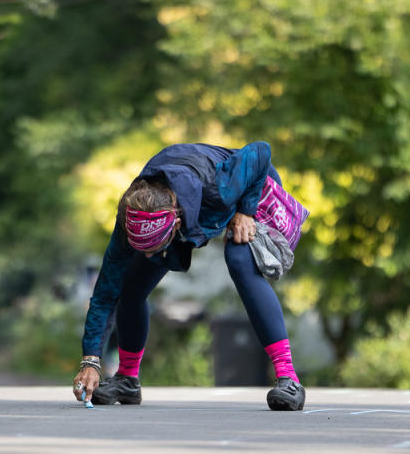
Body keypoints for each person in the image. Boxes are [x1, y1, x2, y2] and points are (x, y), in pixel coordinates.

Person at [71, 141, 306, 411]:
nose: (148, 255)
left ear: (177, 225)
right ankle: (127, 379)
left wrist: (244, 212)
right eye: (142, 249)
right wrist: (90, 360)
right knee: (130, 285)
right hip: (182, 199)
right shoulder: (132, 218)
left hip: (247, 189)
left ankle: (289, 379)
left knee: (239, 260)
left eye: (154, 248)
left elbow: (260, 151)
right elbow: (104, 294)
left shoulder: (221, 186)